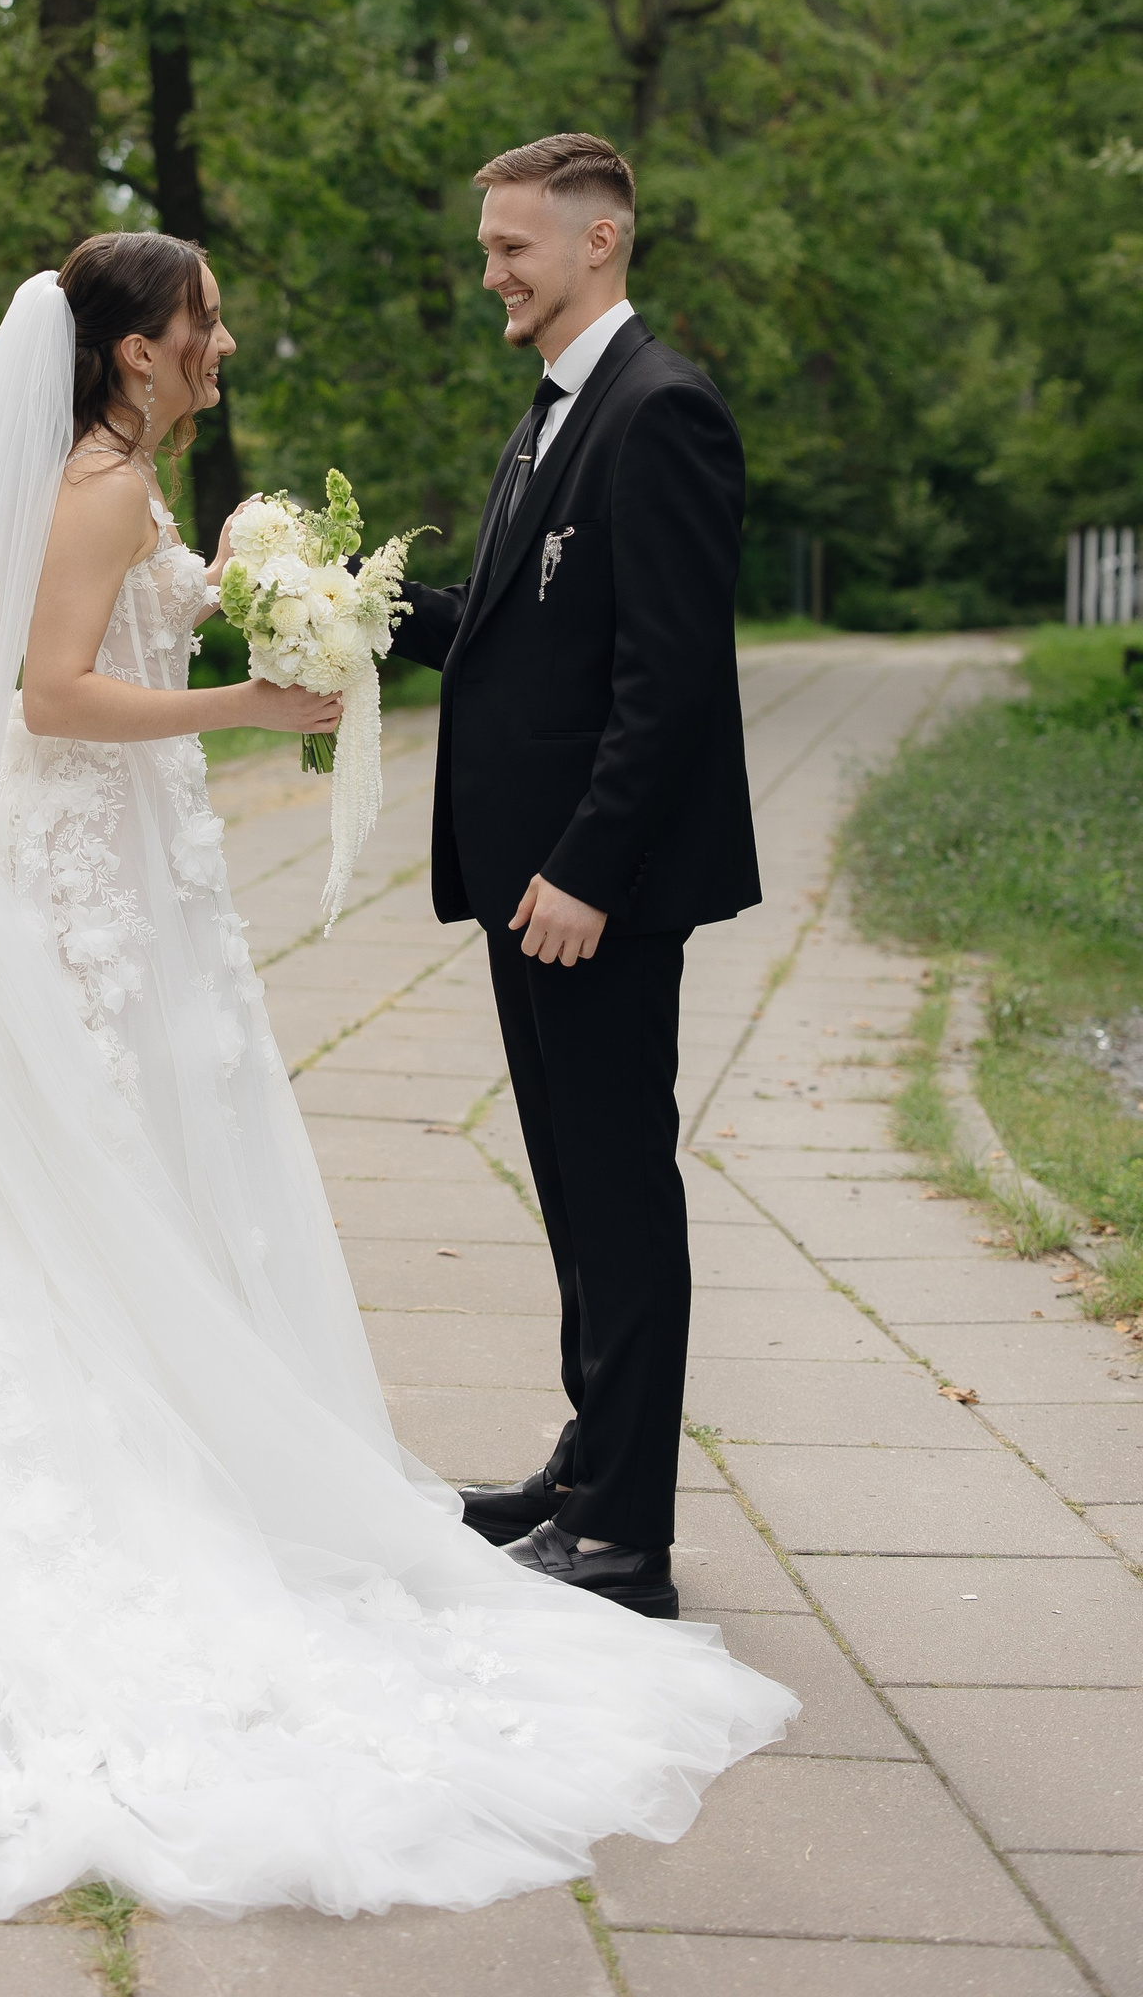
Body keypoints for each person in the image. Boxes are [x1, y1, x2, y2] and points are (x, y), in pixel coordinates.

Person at [0, 230, 790, 1920]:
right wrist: (247, 711)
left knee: (121, 1187)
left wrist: (288, 588)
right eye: (202, 321)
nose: (223, 342)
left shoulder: (121, 483)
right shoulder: (103, 488)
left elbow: (159, 621)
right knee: (85, 1177)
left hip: (128, 878)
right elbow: (54, 699)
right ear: (136, 351)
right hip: (79, 895)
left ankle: (209, 1455)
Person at [386, 136, 760, 1620]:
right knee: (571, 1184)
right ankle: (588, 1465)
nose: (491, 271)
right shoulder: (557, 408)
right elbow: (510, 631)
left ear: (599, 241)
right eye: (488, 245)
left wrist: (591, 870)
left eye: (512, 247)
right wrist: (346, 605)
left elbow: (669, 680)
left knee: (618, 1193)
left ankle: (624, 1540)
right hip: (525, 887)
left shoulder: (660, 411)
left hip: (590, 895)